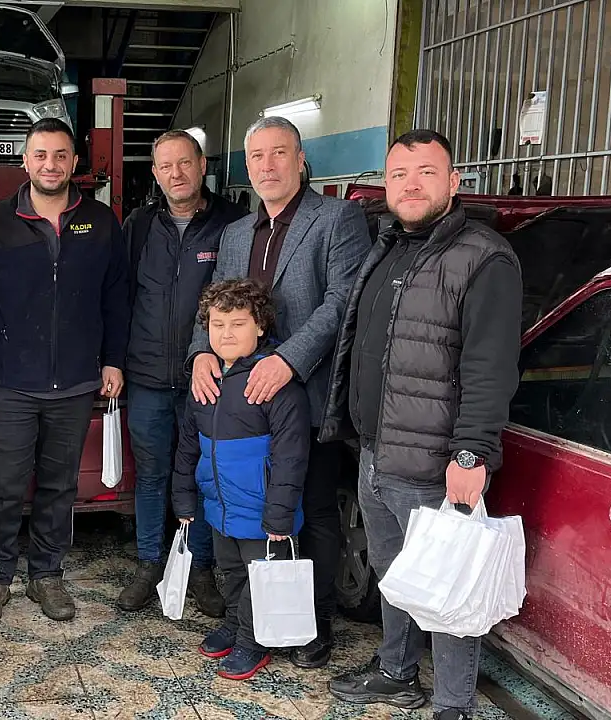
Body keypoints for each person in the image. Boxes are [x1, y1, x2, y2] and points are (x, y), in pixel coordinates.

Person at [320, 129, 523, 720]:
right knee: (397, 576)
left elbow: (490, 366)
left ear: (454, 182)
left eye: (426, 172)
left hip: (435, 460)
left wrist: (471, 453)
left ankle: (453, 704)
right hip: (376, 450)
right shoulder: (388, 245)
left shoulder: (483, 258)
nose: (410, 185)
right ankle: (396, 672)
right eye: (399, 174)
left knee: (446, 583)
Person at [187, 115, 370, 668]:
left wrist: (288, 360)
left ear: (301, 159)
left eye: (279, 153)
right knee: (246, 512)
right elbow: (215, 301)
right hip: (241, 399)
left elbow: (342, 301)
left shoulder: (337, 219)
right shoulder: (237, 232)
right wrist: (201, 352)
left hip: (304, 392)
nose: (267, 166)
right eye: (257, 156)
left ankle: (310, 621)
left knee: (309, 509)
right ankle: (248, 614)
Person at [0, 118, 131, 625]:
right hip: (10, 383)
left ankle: (47, 575)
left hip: (76, 381)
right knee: (4, 486)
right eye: (40, 155)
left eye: (60, 155)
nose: (50, 165)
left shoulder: (101, 221)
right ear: (25, 161)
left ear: (75, 162)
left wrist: (113, 359)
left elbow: (116, 297)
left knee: (60, 486)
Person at [117, 130, 247, 617]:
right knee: (151, 475)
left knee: (203, 474)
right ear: (155, 173)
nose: (176, 174)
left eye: (185, 163)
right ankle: (149, 564)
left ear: (202, 165)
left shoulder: (231, 224)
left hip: (210, 377)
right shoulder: (138, 225)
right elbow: (120, 295)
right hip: (147, 376)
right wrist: (116, 361)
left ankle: (202, 569)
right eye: (166, 166)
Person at [171, 278, 310, 681]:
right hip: (220, 507)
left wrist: (280, 516)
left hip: (263, 513)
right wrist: (183, 498)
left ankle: (253, 640)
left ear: (260, 326)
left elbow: (291, 456)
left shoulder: (275, 385)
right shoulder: (206, 381)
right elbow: (188, 446)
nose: (226, 334)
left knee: (259, 579)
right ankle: (234, 623)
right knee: (230, 571)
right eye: (218, 325)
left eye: (238, 324)